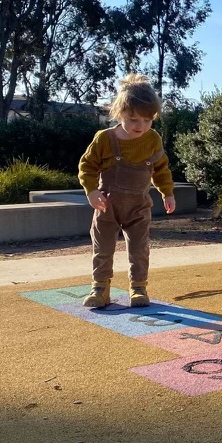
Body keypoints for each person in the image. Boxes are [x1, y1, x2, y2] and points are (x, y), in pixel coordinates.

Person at [78, 74, 176, 308]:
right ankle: (100, 288)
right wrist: (91, 191)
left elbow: (161, 168)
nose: (139, 126)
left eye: (147, 120)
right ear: (119, 113)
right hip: (107, 206)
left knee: (139, 249)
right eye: (133, 119)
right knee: (102, 249)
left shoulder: (153, 140)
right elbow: (87, 166)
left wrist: (167, 192)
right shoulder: (105, 139)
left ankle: (138, 288)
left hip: (138, 206)